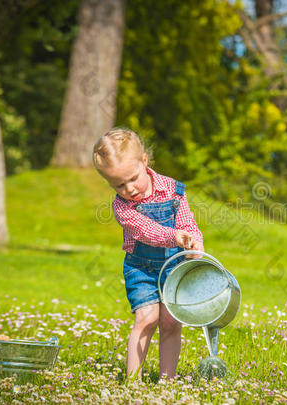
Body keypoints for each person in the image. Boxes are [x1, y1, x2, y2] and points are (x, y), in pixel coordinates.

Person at [92, 127, 204, 380]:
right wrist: (172, 236)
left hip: (174, 266)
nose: (129, 189)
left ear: (144, 161)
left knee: (172, 322)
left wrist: (194, 244)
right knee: (147, 317)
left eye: (133, 178)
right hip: (142, 267)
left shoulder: (174, 190)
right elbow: (144, 230)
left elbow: (187, 222)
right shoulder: (121, 206)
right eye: (118, 184)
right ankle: (134, 382)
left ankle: (167, 380)